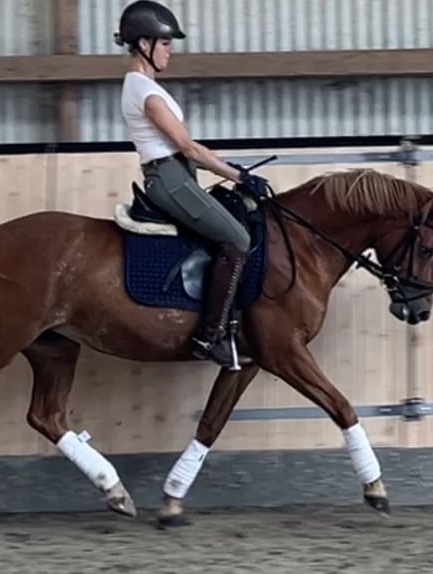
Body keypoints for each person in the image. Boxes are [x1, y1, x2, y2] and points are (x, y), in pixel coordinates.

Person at [114, 0, 269, 368]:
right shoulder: (144, 91)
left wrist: (232, 171)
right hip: (169, 178)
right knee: (238, 239)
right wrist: (239, 176)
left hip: (179, 174)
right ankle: (210, 336)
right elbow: (187, 146)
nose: (170, 51)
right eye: (165, 43)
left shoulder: (147, 86)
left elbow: (189, 148)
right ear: (143, 44)